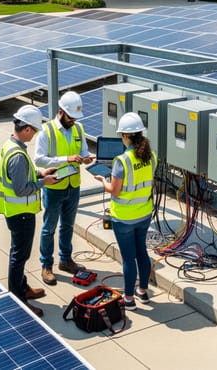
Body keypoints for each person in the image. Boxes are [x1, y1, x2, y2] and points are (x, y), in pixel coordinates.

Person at [0, 104, 59, 317]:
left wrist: (41, 173)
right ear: (26, 129)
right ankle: (18, 297)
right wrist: (46, 182)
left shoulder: (12, 146)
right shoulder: (17, 155)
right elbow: (21, 188)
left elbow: (24, 177)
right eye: (33, 130)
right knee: (19, 256)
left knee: (20, 254)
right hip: (20, 213)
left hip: (18, 212)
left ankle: (22, 287)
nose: (34, 135)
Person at [93, 112, 157, 310]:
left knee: (128, 258)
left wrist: (103, 181)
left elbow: (115, 190)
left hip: (124, 218)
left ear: (125, 136)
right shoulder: (151, 156)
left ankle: (128, 299)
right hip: (144, 214)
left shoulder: (122, 161)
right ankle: (143, 292)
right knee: (142, 254)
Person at [34, 91, 95, 285]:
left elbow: (83, 151)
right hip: (54, 186)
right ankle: (46, 265)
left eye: (76, 117)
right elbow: (39, 159)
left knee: (67, 226)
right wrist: (65, 159)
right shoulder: (47, 131)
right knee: (49, 228)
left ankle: (66, 260)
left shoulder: (78, 128)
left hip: (73, 185)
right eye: (71, 117)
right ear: (61, 112)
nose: (74, 121)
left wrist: (85, 158)